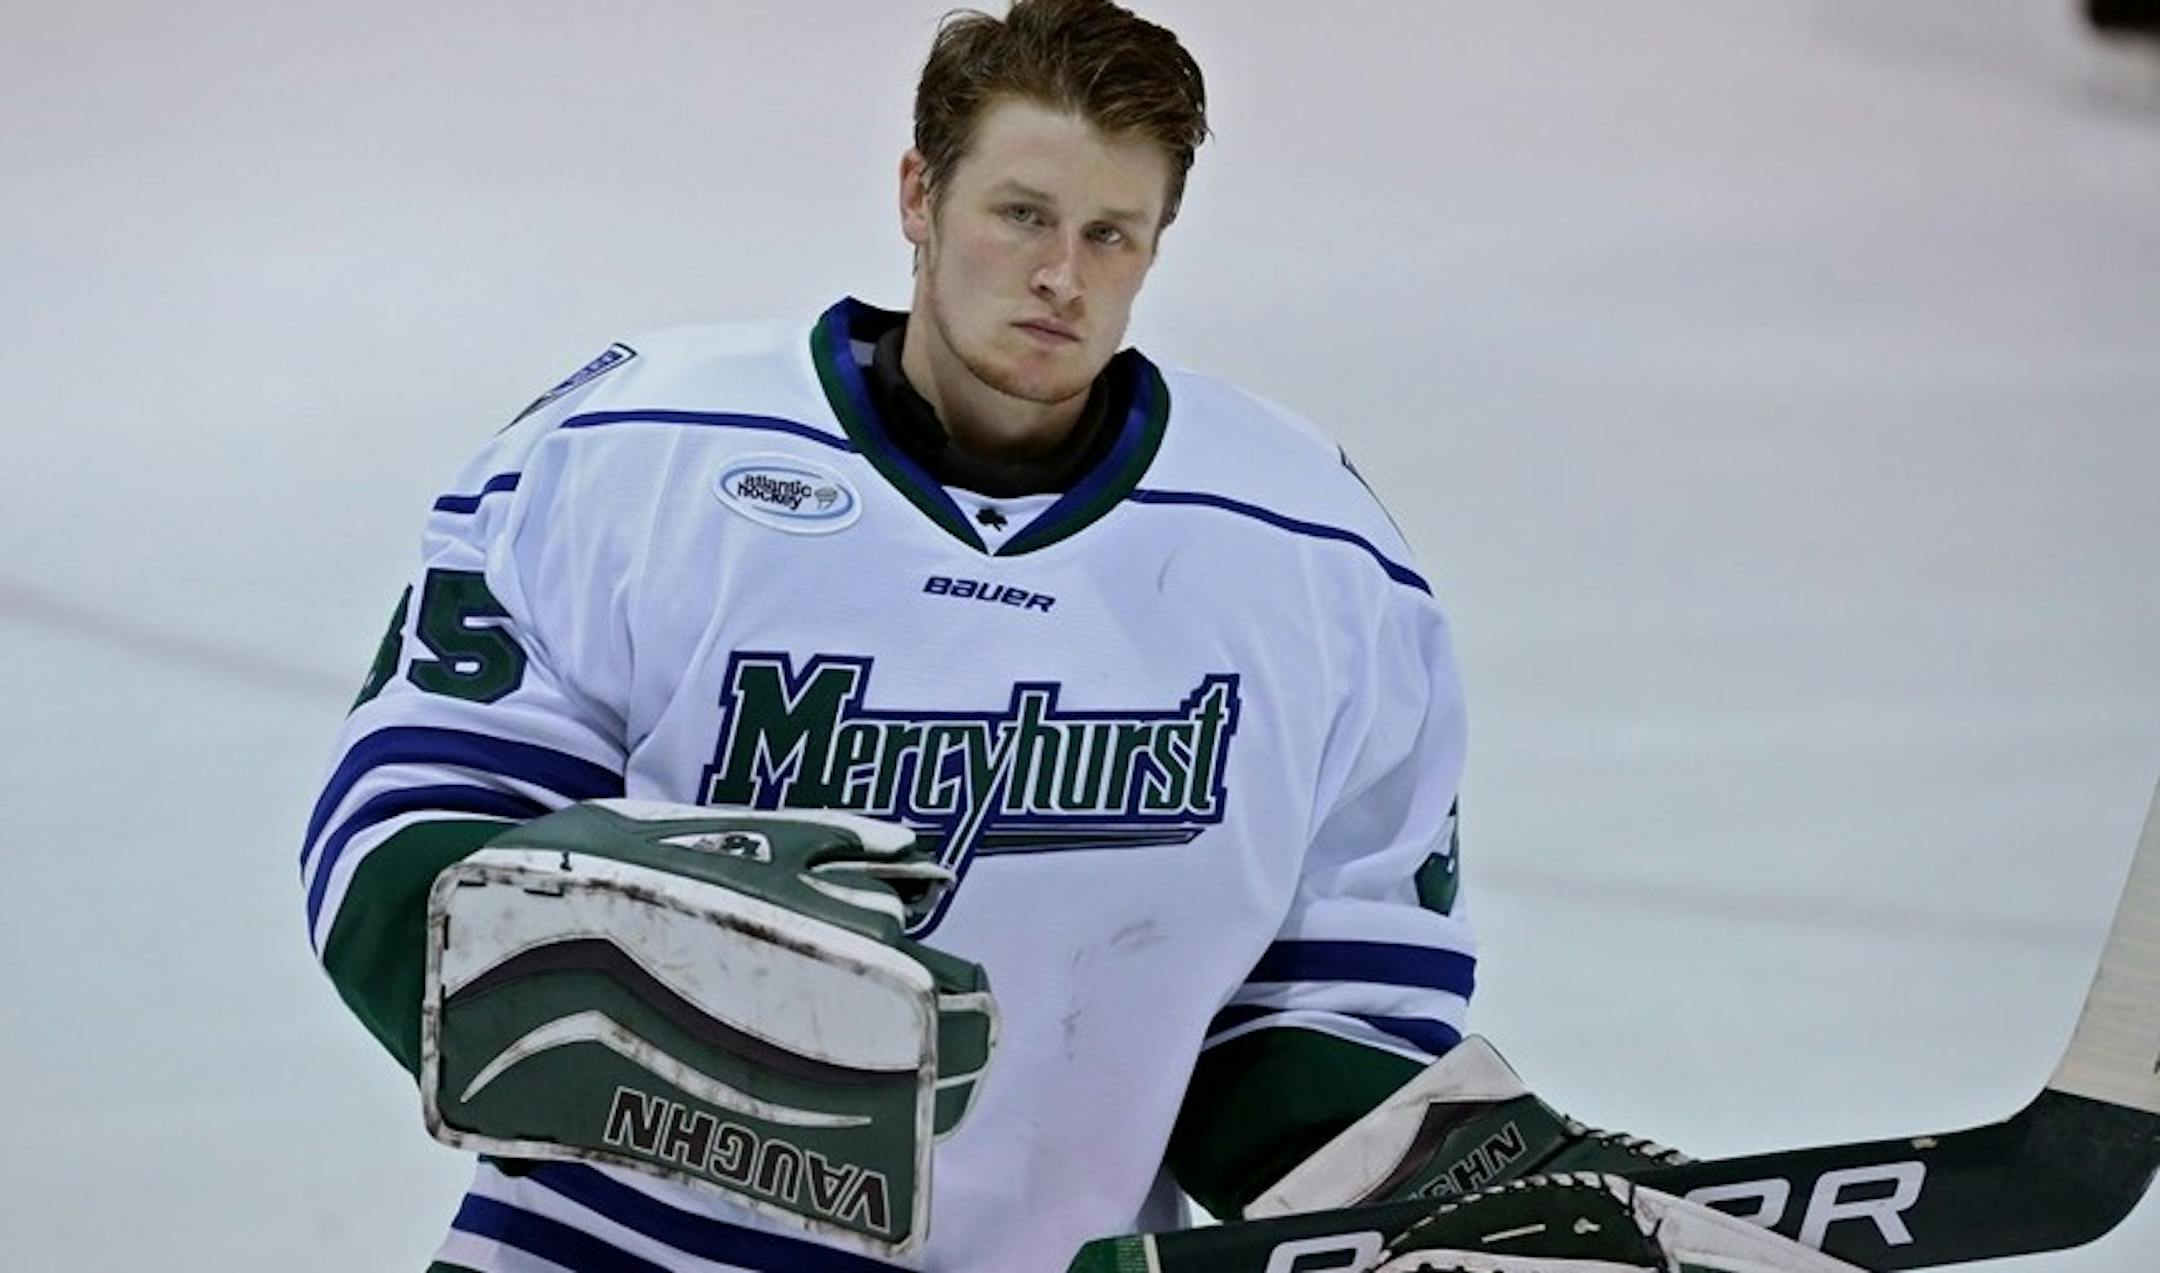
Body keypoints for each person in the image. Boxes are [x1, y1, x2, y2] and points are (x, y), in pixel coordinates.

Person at [300, 4, 1857, 1271]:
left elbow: (1308, 1016)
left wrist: (1457, 1197)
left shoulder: (1312, 554)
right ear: (919, 196)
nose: (1061, 275)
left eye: (1115, 235)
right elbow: (400, 857)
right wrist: (681, 996)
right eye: (1022, 214)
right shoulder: (638, 450)